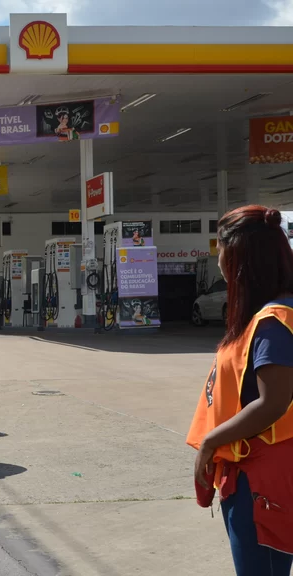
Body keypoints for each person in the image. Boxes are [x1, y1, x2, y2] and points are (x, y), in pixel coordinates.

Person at [187, 206, 293, 575]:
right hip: (259, 469)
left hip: (263, 477)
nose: (216, 258)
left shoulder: (272, 322)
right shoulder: (266, 316)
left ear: (239, 258)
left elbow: (272, 403)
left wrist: (210, 441)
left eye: (220, 248)